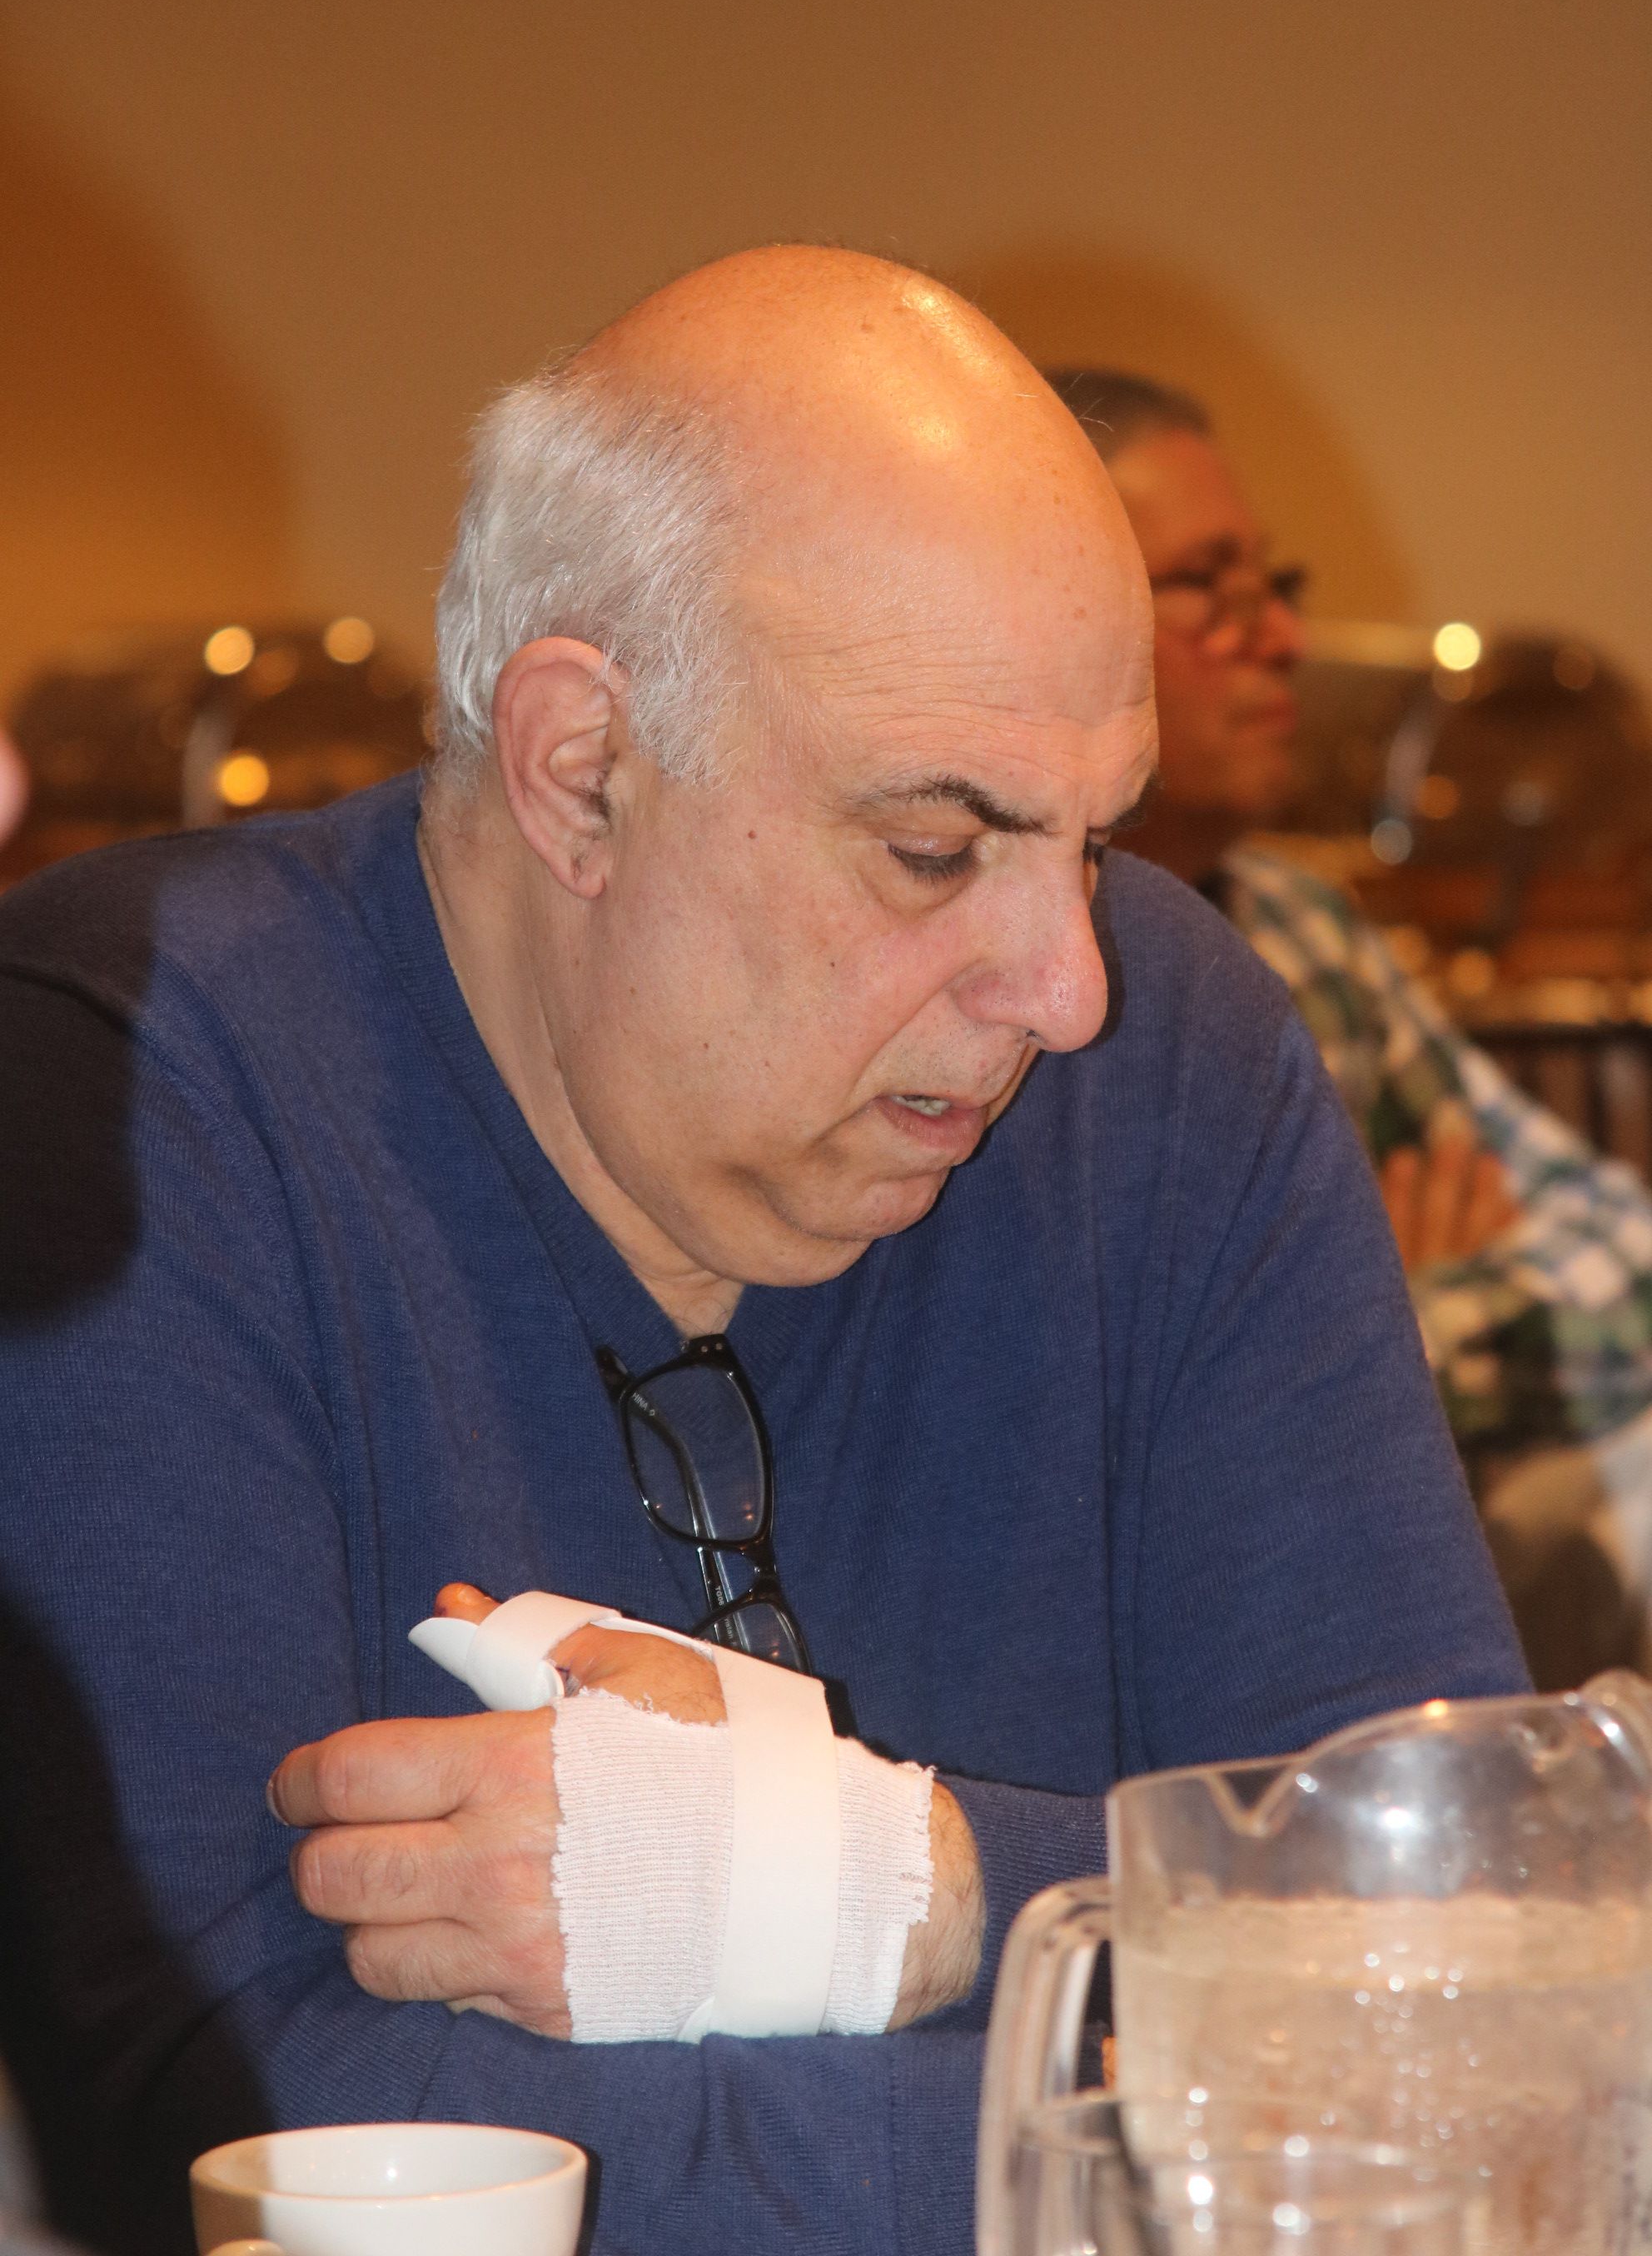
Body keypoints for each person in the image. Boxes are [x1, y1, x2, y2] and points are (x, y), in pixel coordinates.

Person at [0, 252, 1522, 2256]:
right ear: (577, 772)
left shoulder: (1170, 1066)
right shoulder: (126, 1091)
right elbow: (231, 2144)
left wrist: (904, 1891)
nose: (1064, 987)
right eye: (931, 850)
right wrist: (1195, 2076)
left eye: (1095, 841)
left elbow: (1485, 1982)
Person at [1048, 369, 1652, 1673]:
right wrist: (1378, 1302)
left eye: (1278, 586)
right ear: (1061, 614)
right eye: (1213, 589)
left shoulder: (1302, 926)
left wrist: (1397, 1323)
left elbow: (1627, 1262)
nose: (1284, 639)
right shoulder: (1010, 980)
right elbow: (1124, 1448)